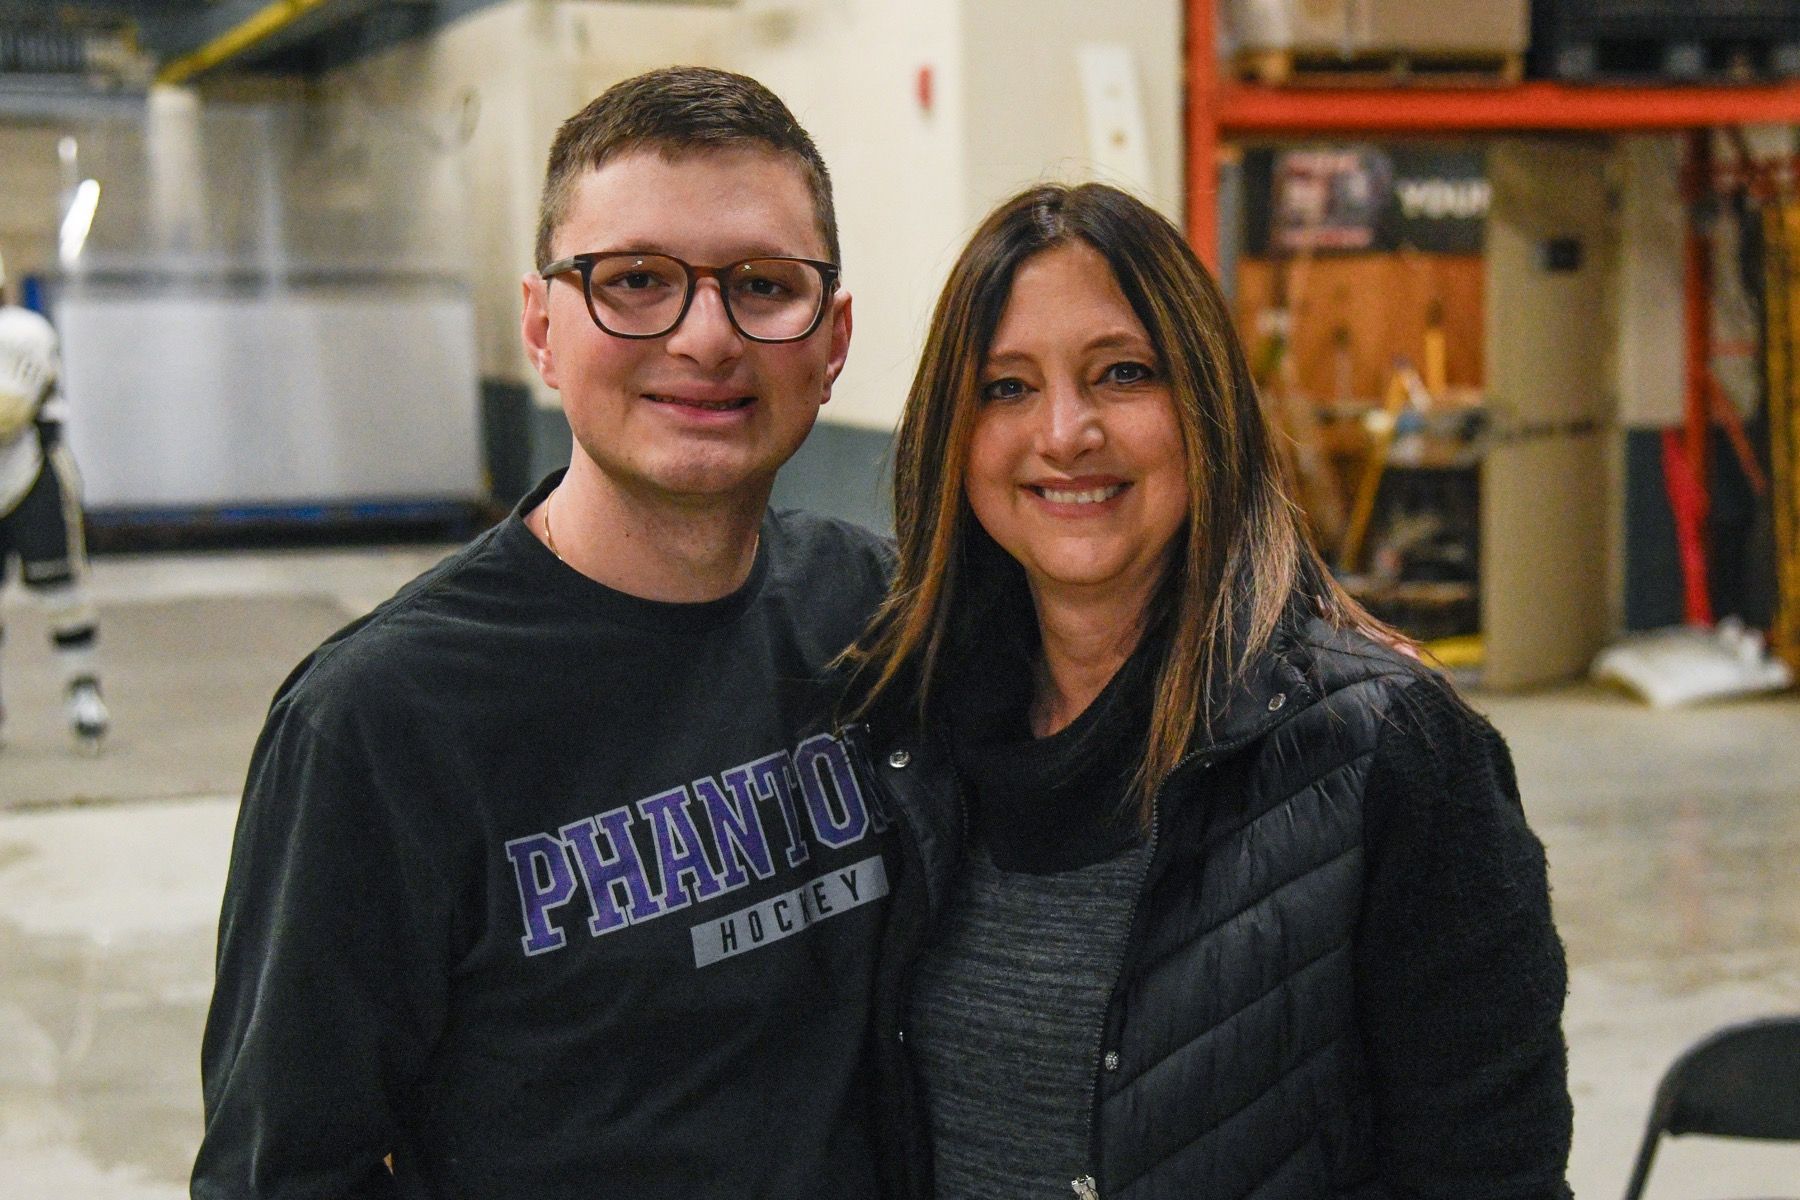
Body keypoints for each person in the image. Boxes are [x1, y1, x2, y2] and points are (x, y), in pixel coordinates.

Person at [194, 67, 898, 1199]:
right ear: (541, 328)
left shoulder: (877, 613)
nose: (706, 335)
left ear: (833, 339)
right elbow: (283, 1172)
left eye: (765, 285)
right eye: (634, 281)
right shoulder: (379, 723)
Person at [845, 183, 1572, 1200]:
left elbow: (1489, 1173)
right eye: (1006, 388)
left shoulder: (1390, 752)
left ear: (1209, 405)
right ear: (949, 439)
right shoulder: (902, 734)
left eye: (1124, 375)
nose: (1065, 431)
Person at [0, 253, 109, 751]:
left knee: (62, 592)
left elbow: (11, 411)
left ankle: (83, 689)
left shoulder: (22, 331)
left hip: (30, 473)